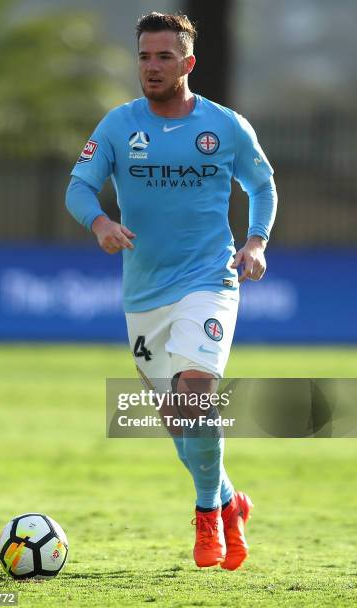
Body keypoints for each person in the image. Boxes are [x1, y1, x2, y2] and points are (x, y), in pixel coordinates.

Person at [66, 12, 277, 570]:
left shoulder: (226, 126)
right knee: (181, 425)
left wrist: (255, 242)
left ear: (188, 62)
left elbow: (263, 184)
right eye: (143, 57)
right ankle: (231, 500)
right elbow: (79, 185)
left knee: (195, 396)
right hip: (143, 294)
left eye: (163, 56)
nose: (151, 67)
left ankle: (208, 517)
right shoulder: (117, 125)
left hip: (209, 280)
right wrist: (100, 224)